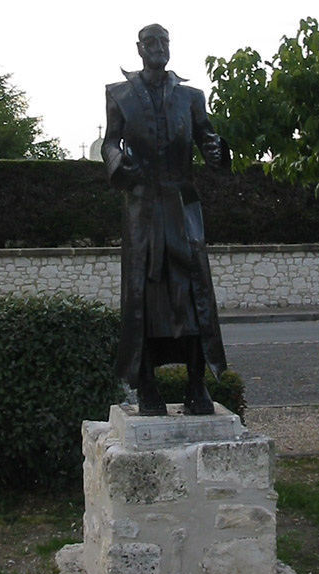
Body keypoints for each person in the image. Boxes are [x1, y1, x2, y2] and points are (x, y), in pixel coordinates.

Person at [102, 23, 228, 416]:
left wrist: (216, 149)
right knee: (144, 297)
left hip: (182, 205)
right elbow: (109, 141)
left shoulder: (191, 97)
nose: (159, 48)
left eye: (164, 42)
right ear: (139, 49)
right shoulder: (118, 95)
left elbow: (211, 142)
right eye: (151, 43)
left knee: (192, 294)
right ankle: (147, 388)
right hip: (142, 207)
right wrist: (118, 162)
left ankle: (197, 384)